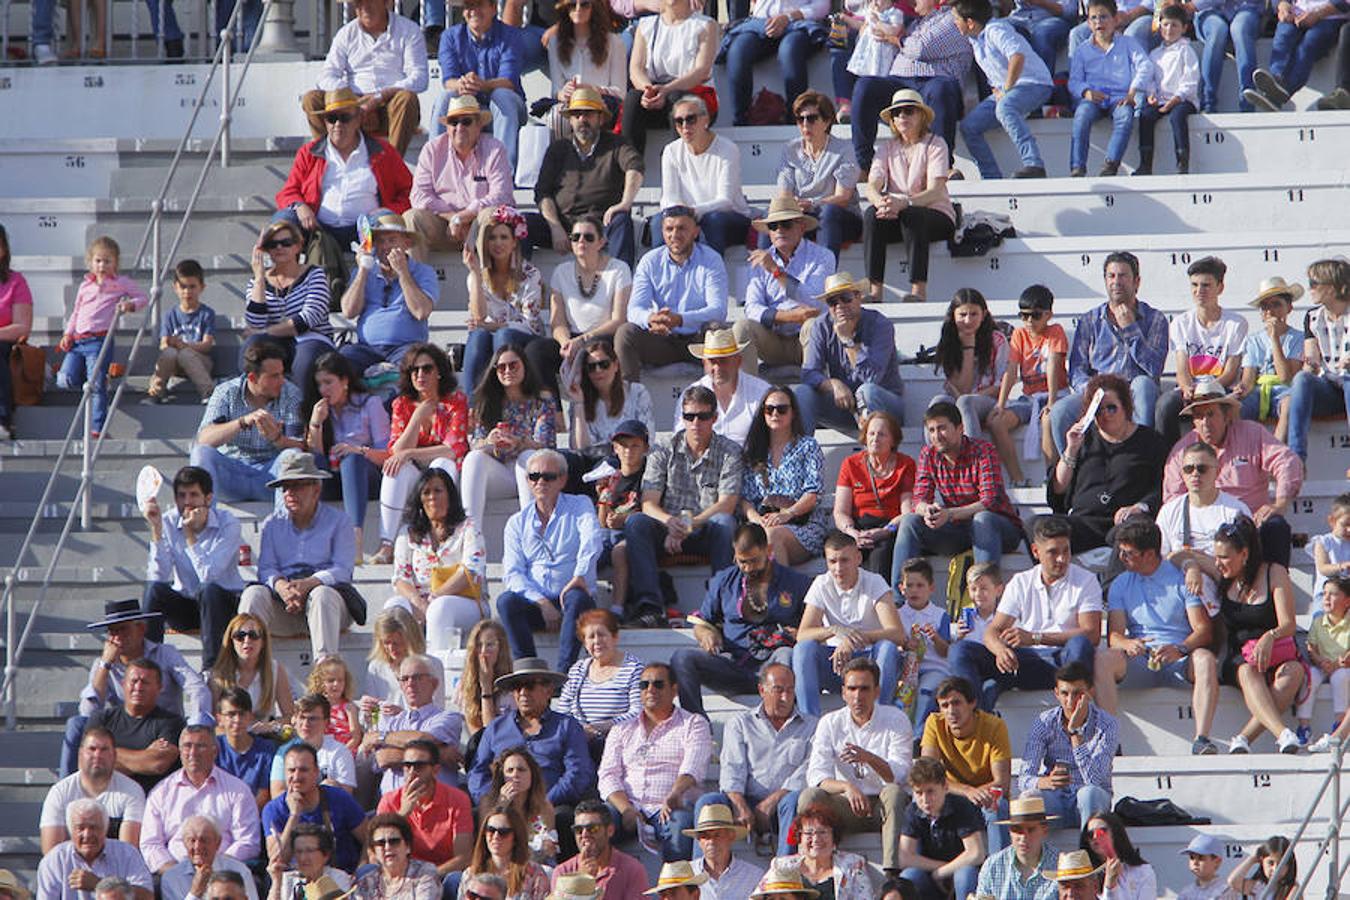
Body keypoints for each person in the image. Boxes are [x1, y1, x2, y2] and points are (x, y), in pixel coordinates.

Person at [949, 513, 1103, 711]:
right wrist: (1000, 650)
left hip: (1064, 662)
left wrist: (1036, 637)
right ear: (1036, 551)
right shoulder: (1021, 581)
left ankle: (1075, 718)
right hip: (1025, 661)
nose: (1062, 558)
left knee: (1080, 644)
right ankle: (974, 721)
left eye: (1066, 550)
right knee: (959, 650)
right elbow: (993, 631)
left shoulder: (1086, 580)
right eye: (1053, 552)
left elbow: (1092, 634)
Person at [1097, 519, 1222, 755]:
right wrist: (1127, 643)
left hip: (1179, 659)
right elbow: (1114, 635)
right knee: (1103, 659)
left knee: (1204, 658)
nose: (1121, 558)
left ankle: (1202, 738)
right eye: (1121, 552)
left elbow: (1203, 630)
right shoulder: (1120, 583)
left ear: (1149, 554)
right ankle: (1109, 741)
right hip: (1140, 659)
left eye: (1129, 553)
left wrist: (1181, 649)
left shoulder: (1181, 578)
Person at [622, 385, 741, 628]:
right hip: (669, 527)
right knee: (636, 523)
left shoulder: (730, 451)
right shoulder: (663, 449)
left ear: (714, 418)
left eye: (703, 416)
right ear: (682, 418)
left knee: (725, 523)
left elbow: (726, 505)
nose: (696, 422)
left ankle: (720, 606)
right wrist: (669, 524)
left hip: (705, 529)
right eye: (689, 416)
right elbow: (649, 503)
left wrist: (686, 525)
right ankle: (650, 606)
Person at [276, 91, 413, 300]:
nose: (338, 124)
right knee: (283, 220)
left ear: (359, 118)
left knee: (384, 220)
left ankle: (386, 293)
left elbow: (409, 191)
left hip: (367, 228)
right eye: (331, 118)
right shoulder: (309, 152)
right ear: (325, 122)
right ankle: (279, 290)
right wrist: (300, 206)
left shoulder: (383, 151)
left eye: (345, 117)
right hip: (320, 229)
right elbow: (287, 191)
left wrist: (387, 211)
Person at [1162, 377, 1303, 569]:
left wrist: (1279, 504)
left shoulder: (1252, 434)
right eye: (1198, 416)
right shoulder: (1183, 450)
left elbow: (1287, 461)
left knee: (1276, 526)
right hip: (1203, 532)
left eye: (1211, 414)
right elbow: (1173, 500)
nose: (1205, 422)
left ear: (1227, 415)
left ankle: (1274, 591)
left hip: (1251, 526)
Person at [672, 524, 810, 716]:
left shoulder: (796, 582)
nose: (747, 568)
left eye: (754, 561)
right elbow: (701, 622)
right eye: (742, 561)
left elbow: (814, 625)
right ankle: (697, 728)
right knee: (682, 658)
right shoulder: (724, 580)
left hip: (774, 663)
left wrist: (801, 634)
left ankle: (782, 724)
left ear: (768, 550)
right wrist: (706, 635)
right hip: (734, 666)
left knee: (786, 654)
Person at [239, 451, 364, 660]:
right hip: (284, 605)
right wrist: (282, 587)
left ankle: (324, 675)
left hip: (329, 605)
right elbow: (266, 568)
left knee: (321, 595)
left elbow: (343, 569)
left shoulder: (339, 521)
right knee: (253, 596)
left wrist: (308, 584)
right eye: (286, 487)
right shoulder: (272, 524)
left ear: (316, 489)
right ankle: (248, 671)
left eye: (297, 485)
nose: (289, 493)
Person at [800, 657, 911, 876]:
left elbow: (898, 775)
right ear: (843, 692)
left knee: (894, 792)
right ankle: (813, 867)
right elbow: (817, 775)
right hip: (847, 805)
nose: (857, 696)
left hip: (883, 806)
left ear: (876, 692)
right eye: (852, 689)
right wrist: (847, 788)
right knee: (810, 796)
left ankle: (892, 872)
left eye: (864, 689)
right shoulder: (830, 722)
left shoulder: (896, 719)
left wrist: (869, 758)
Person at [1049, 252, 1168, 455]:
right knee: (1060, 411)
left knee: (1144, 385)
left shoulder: (1155, 319)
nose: (1116, 282)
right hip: (1098, 389)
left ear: (1136, 281)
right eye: (1111, 276)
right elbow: (1077, 369)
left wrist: (1131, 329)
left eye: (1123, 276)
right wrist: (1094, 391)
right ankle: (1072, 469)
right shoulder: (1089, 320)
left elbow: (1154, 368)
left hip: (1133, 389)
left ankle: (1139, 458)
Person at [695, 663, 817, 857]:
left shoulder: (812, 726)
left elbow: (808, 770)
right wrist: (740, 806)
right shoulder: (740, 724)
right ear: (762, 690)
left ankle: (785, 872)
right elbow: (732, 769)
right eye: (778, 690)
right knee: (708, 802)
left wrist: (772, 801)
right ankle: (701, 875)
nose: (786, 697)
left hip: (784, 805)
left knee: (795, 800)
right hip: (745, 801)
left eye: (790, 690)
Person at [497, 450, 602, 670]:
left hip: (572, 596)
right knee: (506, 601)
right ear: (527, 481)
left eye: (549, 476)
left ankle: (563, 674)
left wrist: (579, 576)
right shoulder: (516, 522)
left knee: (577, 598)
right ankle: (529, 671)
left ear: (562, 480)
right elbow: (513, 573)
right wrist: (541, 602)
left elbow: (592, 542)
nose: (540, 482)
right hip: (536, 602)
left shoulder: (580, 504)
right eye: (534, 477)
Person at [598, 662, 712, 861]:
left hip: (670, 807)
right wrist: (626, 809)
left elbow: (693, 767)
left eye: (658, 684)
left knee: (682, 824)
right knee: (595, 823)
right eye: (644, 685)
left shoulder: (693, 724)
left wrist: (675, 793)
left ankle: (676, 890)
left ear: (674, 690)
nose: (650, 689)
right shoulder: (622, 729)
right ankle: (600, 889)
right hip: (628, 807)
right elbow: (608, 775)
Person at [1212, 516, 1306, 754]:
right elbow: (1182, 557)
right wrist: (1192, 570)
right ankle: (1282, 733)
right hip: (1238, 656)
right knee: (1247, 670)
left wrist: (1269, 637)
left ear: (1244, 554)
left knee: (1294, 672)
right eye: (1216, 556)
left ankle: (1243, 738)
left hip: (1274, 650)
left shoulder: (1274, 572)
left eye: (1224, 557)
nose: (1218, 562)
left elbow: (1289, 623)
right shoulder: (1221, 577)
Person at [1048, 373, 1170, 554]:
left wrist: (1140, 506)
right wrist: (1071, 449)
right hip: (1084, 522)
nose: (1105, 415)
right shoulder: (1083, 441)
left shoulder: (1150, 441)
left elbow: (1162, 487)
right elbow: (1058, 489)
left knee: (1131, 533)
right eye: (1098, 410)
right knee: (1038, 527)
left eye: (1111, 408)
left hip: (1124, 522)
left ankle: (1111, 582)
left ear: (1125, 408)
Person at [893, 401, 1023, 568]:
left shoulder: (983, 450)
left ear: (960, 428)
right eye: (931, 430)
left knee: (982, 519)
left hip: (999, 528)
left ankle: (984, 588)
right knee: (910, 521)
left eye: (942, 428)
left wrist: (949, 514)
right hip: (958, 530)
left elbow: (990, 502)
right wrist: (928, 511)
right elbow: (919, 499)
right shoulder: (929, 454)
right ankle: (900, 593)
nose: (936, 436)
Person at [139, 466, 244, 671]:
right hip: (187, 605)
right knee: (154, 590)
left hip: (223, 604)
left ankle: (212, 670)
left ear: (208, 498)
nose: (187, 502)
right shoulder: (168, 521)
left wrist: (189, 535)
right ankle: (147, 666)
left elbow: (209, 575)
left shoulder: (228, 523)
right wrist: (156, 530)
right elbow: (159, 575)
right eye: (181, 496)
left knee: (209, 590)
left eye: (194, 495)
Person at [848, 0, 971, 173]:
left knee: (941, 88)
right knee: (865, 85)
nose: (912, 2)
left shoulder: (953, 18)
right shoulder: (913, 22)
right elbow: (875, 37)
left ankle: (942, 166)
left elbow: (919, 48)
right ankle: (865, 166)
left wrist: (897, 37)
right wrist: (875, 27)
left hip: (934, 80)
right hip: (900, 81)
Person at [793, 530, 905, 716]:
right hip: (836, 663)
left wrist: (852, 640)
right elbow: (802, 634)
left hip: (868, 662)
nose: (838, 568)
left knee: (888, 648)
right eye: (832, 562)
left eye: (844, 560)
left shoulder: (875, 582)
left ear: (858, 558)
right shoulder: (821, 583)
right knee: (803, 649)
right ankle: (808, 720)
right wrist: (835, 631)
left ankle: (879, 715)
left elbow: (897, 634)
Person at [469, 660, 596, 824]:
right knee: (472, 817)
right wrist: (494, 800)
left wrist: (544, 802)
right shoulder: (496, 728)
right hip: (502, 805)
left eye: (529, 686)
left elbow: (578, 773)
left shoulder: (567, 726)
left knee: (564, 818)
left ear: (548, 690)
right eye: (517, 687)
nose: (522, 692)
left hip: (551, 805)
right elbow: (477, 772)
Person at [375, 344, 470, 564]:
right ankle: (386, 544)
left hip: (445, 470)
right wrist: (417, 417)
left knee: (441, 465)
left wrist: (409, 452)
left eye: (426, 369)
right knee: (393, 468)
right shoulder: (402, 404)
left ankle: (447, 535)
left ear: (439, 371)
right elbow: (395, 450)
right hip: (415, 471)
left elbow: (453, 448)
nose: (420, 375)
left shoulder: (455, 401)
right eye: (414, 370)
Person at [531, 90, 644, 271]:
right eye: (577, 114)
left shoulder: (617, 144)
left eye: (588, 113)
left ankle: (621, 288)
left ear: (600, 118)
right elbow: (542, 192)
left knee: (622, 221)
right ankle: (516, 289)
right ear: (570, 120)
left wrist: (625, 203)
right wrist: (555, 227)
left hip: (601, 225)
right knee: (518, 225)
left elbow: (635, 167)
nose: (582, 119)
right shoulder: (558, 148)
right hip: (563, 224)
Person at [862, 90, 957, 303]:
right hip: (900, 214)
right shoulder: (886, 147)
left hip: (936, 214)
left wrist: (903, 203)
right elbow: (871, 186)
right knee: (871, 214)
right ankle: (875, 291)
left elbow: (935, 190)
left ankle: (918, 290)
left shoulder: (936, 143)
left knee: (913, 215)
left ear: (921, 115)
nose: (902, 116)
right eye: (897, 112)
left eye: (908, 111)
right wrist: (881, 203)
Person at [302, 0, 428, 156]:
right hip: (350, 106)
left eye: (371, 1)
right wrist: (352, 99)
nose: (364, 8)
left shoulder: (409, 30)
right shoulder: (346, 33)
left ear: (386, 2)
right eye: (358, 3)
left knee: (407, 99)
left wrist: (380, 97)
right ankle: (327, 161)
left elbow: (420, 77)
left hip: (390, 106)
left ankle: (391, 164)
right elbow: (325, 76)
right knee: (311, 99)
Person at [616, 206, 729, 379]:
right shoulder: (650, 261)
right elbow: (634, 309)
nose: (674, 234)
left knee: (717, 330)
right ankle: (631, 399)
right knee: (626, 333)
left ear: (696, 232)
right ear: (662, 231)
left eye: (682, 228)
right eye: (669, 229)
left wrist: (680, 319)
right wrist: (650, 319)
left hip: (698, 339)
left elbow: (718, 310)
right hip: (663, 340)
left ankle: (720, 398)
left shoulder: (711, 259)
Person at [791, 273, 907, 435]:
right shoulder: (821, 326)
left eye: (845, 298)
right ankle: (800, 456)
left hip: (884, 407)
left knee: (867, 392)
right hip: (845, 406)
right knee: (802, 393)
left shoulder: (881, 325)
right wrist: (833, 384)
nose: (839, 306)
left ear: (858, 297)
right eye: (832, 302)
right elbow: (809, 373)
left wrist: (847, 341)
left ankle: (872, 457)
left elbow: (871, 377)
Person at [191, 339, 304, 503]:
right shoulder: (226, 392)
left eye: (282, 374)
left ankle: (283, 524)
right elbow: (204, 439)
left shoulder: (291, 394)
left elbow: (301, 446)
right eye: (274, 376)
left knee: (293, 456)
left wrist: (278, 439)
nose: (281, 381)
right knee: (201, 453)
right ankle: (206, 522)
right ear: (252, 377)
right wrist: (242, 422)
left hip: (271, 475)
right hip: (231, 474)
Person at [387, 467, 487, 651]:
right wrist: (419, 602)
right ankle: (399, 673)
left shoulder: (468, 527)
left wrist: (435, 598)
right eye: (426, 492)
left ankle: (434, 670)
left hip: (465, 601)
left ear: (449, 495)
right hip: (421, 601)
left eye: (438, 491)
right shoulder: (407, 533)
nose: (432, 497)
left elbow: (470, 571)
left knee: (440, 608)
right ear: (420, 499)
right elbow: (401, 578)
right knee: (394, 607)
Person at [57, 235, 148, 438]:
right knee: (65, 379)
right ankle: (97, 375)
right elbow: (76, 312)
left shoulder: (120, 283)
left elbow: (143, 297)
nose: (102, 265)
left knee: (96, 386)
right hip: (79, 340)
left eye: (107, 261)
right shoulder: (85, 286)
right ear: (91, 262)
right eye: (98, 261)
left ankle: (97, 428)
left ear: (115, 263)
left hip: (99, 341)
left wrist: (129, 305)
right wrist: (67, 333)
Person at [953, 0, 1054, 180]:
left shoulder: (996, 30)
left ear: (970, 22)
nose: (954, 23)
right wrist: (999, 89)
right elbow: (995, 72)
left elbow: (1017, 56)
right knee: (970, 126)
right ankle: (991, 176)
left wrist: (1006, 89)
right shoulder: (974, 40)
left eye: (956, 19)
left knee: (1005, 107)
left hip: (1034, 84)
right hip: (1010, 89)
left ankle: (1034, 164)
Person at [461, 206, 555, 397]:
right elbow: (479, 318)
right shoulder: (476, 277)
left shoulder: (530, 275)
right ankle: (472, 411)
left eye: (504, 237)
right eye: (492, 238)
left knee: (503, 336)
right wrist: (476, 275)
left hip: (527, 336)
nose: (497, 243)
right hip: (491, 335)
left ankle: (506, 400)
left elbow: (529, 324)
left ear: (514, 243)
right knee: (478, 337)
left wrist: (492, 326)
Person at [462, 345, 559, 529]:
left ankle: (533, 530)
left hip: (532, 475)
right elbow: (476, 444)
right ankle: (471, 535)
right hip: (500, 473)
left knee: (528, 457)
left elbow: (546, 445)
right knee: (474, 458)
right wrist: (489, 442)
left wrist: (519, 442)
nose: (507, 371)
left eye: (513, 365)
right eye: (501, 367)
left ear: (525, 367)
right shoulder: (487, 401)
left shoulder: (542, 401)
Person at [302, 353, 389, 559]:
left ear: (345, 381)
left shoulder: (370, 404)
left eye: (329, 382)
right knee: (310, 462)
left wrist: (358, 450)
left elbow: (387, 456)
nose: (324, 389)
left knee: (351, 460)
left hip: (365, 476)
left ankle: (354, 537)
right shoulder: (321, 410)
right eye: (320, 384)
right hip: (333, 476)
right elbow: (317, 455)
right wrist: (316, 424)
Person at [140, 726, 260, 875]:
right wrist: (174, 872)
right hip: (175, 874)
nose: (193, 753)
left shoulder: (238, 790)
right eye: (187, 746)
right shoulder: (161, 792)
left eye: (201, 746)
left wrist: (216, 869)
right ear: (180, 751)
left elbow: (248, 841)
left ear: (214, 751)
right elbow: (150, 843)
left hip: (224, 875)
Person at [1154, 257, 1248, 446]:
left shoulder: (1236, 323)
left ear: (1220, 287)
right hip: (1191, 389)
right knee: (1165, 406)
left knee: (1241, 407)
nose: (1199, 291)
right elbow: (1182, 368)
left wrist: (1208, 390)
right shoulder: (1181, 323)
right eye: (1194, 285)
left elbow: (1231, 372)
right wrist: (1189, 388)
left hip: (1221, 388)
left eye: (1206, 285)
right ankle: (1170, 462)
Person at [406, 96, 514, 260]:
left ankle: (490, 282)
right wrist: (451, 217)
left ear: (479, 125)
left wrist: (466, 215)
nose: (459, 127)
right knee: (412, 217)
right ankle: (417, 283)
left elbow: (502, 195)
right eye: (453, 122)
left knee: (491, 215)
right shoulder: (432, 150)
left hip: (479, 227)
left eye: (466, 121)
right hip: (444, 225)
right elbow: (418, 195)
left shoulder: (495, 149)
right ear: (447, 127)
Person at [931, 289, 1022, 483]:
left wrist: (971, 394)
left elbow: (1000, 385)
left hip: (987, 400)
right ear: (953, 315)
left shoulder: (997, 340)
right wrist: (967, 347)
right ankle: (937, 469)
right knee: (937, 404)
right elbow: (959, 387)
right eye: (962, 314)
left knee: (966, 402)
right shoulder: (949, 340)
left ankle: (978, 468)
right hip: (961, 398)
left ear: (984, 315)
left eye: (974, 314)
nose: (968, 320)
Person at [735, 197, 832, 375]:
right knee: (742, 327)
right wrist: (788, 316)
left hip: (807, 338)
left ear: (801, 226)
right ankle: (748, 397)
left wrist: (776, 271)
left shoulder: (823, 256)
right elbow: (752, 308)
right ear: (769, 233)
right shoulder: (760, 261)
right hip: (774, 339)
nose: (779, 230)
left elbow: (814, 302)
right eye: (773, 226)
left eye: (786, 224)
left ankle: (815, 390)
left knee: (813, 325)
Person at [241, 212, 335, 393]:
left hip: (312, 338)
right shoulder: (257, 282)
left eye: (286, 243)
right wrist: (260, 277)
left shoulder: (315, 274)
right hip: (275, 342)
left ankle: (300, 415)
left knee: (305, 361)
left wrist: (265, 331)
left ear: (298, 245)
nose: (279, 248)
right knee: (252, 347)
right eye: (272, 244)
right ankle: (255, 408)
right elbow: (254, 322)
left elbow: (308, 319)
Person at [65, 662, 188, 797]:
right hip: (104, 798)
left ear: (159, 688)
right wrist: (145, 755)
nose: (138, 687)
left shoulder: (172, 722)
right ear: (123, 684)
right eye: (134, 681)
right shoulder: (102, 719)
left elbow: (157, 764)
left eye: (145, 682)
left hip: (152, 801)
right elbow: (88, 764)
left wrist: (107, 756)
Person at [920, 676, 1013, 853]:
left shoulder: (994, 726)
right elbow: (927, 776)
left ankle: (1000, 870)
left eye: (956, 703)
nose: (951, 711)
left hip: (986, 796)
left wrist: (976, 793)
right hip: (953, 795)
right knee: (920, 804)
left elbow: (1002, 782)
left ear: (972, 703)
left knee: (997, 805)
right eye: (945, 706)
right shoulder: (934, 723)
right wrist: (967, 791)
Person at [1019, 663, 1117, 830]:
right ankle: (1038, 855)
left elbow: (1095, 781)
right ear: (1056, 693)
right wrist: (1046, 781)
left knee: (1088, 793)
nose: (1070, 701)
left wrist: (1075, 732)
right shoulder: (1044, 722)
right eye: (1064, 693)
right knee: (1029, 798)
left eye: (1078, 694)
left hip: (1092, 801)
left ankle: (1087, 853)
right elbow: (1024, 779)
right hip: (1056, 798)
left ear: (1090, 692)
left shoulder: (1107, 724)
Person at [338, 210, 437, 375]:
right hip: (367, 348)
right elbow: (349, 311)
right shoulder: (365, 271)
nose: (385, 247)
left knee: (412, 370)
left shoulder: (423, 272)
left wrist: (403, 273)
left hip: (407, 347)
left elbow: (421, 311)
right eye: (381, 241)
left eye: (392, 240)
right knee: (339, 366)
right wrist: (363, 269)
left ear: (406, 243)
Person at [432, 0, 527, 169]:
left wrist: (481, 84)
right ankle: (435, 168)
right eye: (469, 6)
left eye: (479, 5)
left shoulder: (511, 35)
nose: (474, 11)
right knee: (446, 97)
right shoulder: (450, 36)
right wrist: (462, 84)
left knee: (502, 95)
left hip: (506, 109)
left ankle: (503, 171)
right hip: (468, 108)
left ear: (493, 8)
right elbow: (448, 81)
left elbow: (509, 81)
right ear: (463, 12)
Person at [654, 95, 753, 255]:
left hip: (729, 218)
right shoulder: (671, 151)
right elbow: (669, 196)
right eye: (679, 121)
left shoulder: (728, 149)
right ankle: (665, 276)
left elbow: (725, 201)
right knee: (659, 222)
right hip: (688, 216)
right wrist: (681, 216)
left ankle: (711, 276)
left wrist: (693, 212)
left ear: (705, 119)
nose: (685, 126)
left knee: (712, 220)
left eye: (690, 119)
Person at [773, 92, 864, 261]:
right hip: (802, 217)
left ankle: (825, 278)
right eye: (801, 119)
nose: (805, 124)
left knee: (828, 213)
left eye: (812, 118)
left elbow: (843, 198)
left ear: (827, 121)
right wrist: (793, 206)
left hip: (842, 217)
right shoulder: (789, 149)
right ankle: (771, 279)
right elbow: (784, 194)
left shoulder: (844, 149)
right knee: (773, 218)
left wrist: (813, 204)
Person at [623, 0, 719, 157]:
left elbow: (701, 71)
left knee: (679, 99)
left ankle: (681, 164)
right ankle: (630, 170)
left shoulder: (705, 25)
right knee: (633, 99)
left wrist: (667, 90)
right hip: (658, 97)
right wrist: (649, 90)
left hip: (694, 98)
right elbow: (635, 69)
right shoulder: (645, 25)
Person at [1068, 0, 1152, 177]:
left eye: (1104, 17)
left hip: (1120, 97)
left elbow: (1145, 66)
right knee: (1081, 116)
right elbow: (1074, 80)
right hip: (1094, 98)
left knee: (1125, 117)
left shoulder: (1128, 43)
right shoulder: (1082, 50)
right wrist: (1086, 92)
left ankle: (1111, 164)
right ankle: (1077, 166)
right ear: (1088, 23)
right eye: (1094, 18)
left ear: (1115, 20)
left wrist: (1132, 92)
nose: (1099, 22)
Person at [364, 655, 465, 798]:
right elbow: (382, 758)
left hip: (436, 806)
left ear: (434, 684)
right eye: (404, 679)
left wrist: (382, 737)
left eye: (417, 677)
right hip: (393, 807)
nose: (410, 684)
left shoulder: (449, 718)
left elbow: (424, 738)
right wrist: (437, 755)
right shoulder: (392, 721)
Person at [833, 411, 914, 583]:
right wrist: (852, 532)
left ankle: (880, 606)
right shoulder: (851, 464)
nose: (875, 438)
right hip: (858, 526)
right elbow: (840, 511)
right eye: (871, 433)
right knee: (843, 551)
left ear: (893, 440)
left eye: (882, 434)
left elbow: (907, 512)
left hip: (891, 527)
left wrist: (885, 531)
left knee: (881, 554)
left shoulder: (906, 465)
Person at [376, 740, 474, 883]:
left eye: (419, 766)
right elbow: (377, 849)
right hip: (399, 873)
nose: (411, 772)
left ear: (435, 770)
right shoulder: (389, 800)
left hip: (441, 874)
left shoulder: (457, 800)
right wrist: (403, 814)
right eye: (407, 765)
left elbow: (464, 857)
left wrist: (425, 877)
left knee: (456, 880)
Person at [263, 744, 369, 873]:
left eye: (303, 770)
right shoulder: (273, 810)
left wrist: (361, 870)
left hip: (343, 877)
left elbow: (369, 838)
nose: (296, 777)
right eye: (291, 770)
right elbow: (277, 861)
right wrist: (294, 815)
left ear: (316, 772)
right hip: (295, 880)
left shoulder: (339, 798)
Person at [722, 0, 828, 126]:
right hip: (761, 24)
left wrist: (788, 17)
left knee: (789, 51)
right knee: (738, 51)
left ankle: (795, 118)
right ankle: (741, 121)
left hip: (801, 24)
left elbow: (823, 6)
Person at [995, 285, 1066, 471]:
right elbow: (1011, 371)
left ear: (1048, 315)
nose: (1028, 321)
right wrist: (1000, 404)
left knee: (1049, 420)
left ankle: (1051, 477)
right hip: (1028, 399)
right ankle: (1017, 478)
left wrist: (1051, 401)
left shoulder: (1055, 331)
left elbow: (1053, 365)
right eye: (1023, 315)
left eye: (1035, 315)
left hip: (1056, 394)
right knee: (996, 422)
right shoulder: (1019, 334)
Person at [41, 727, 145, 855]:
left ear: (114, 755)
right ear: (80, 754)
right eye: (92, 749)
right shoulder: (60, 792)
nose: (97, 755)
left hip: (115, 871)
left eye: (104, 749)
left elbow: (128, 853)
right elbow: (51, 853)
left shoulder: (132, 791)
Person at [559, 610, 644, 761]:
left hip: (618, 741)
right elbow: (563, 709)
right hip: (579, 740)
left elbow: (638, 712)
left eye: (602, 634)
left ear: (615, 637)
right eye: (591, 637)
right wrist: (579, 732)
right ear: (585, 643)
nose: (597, 641)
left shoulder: (633, 668)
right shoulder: (577, 669)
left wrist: (603, 726)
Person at [1287, 257, 1350, 463]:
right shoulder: (1313, 317)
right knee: (1302, 379)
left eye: (1314, 284)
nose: (1310, 289)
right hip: (1331, 389)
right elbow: (1312, 359)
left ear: (1332, 288)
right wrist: (1310, 364)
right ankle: (1297, 458)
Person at [899, 758, 986, 900]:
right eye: (919, 793)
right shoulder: (913, 811)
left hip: (961, 871)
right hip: (931, 875)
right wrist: (939, 868)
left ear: (945, 787)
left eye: (930, 791)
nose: (925, 800)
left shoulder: (961, 806)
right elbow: (905, 858)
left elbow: (976, 853)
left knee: (965, 874)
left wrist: (942, 872)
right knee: (909, 876)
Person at [34, 800, 153, 900]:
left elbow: (147, 896)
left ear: (105, 829)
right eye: (80, 828)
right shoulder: (54, 860)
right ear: (70, 831)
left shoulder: (127, 853)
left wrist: (100, 885)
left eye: (94, 827)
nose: (87, 835)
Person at [674, 329, 772, 446]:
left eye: (723, 360)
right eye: (712, 361)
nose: (717, 367)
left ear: (738, 361)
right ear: (704, 363)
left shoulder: (761, 392)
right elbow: (680, 440)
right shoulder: (690, 395)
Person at [1244, 0, 1345, 111]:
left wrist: (1317, 14)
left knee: (1308, 45)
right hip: (1298, 12)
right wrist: (1283, 6)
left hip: (1331, 16)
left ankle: (1281, 94)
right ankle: (1276, 80)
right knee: (1284, 35)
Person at [1237, 277, 1305, 439]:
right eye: (1265, 306)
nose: (1270, 311)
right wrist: (1240, 390)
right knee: (1234, 408)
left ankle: (1278, 452)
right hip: (1259, 391)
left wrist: (1274, 339)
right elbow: (1249, 377)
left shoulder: (1299, 338)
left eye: (1276, 304)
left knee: (1289, 405)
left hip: (1284, 391)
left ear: (1289, 308)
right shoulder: (1253, 340)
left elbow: (1286, 377)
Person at [545, 0, 629, 131]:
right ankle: (564, 151)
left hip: (602, 101)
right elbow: (556, 91)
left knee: (593, 114)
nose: (578, 9)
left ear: (594, 8)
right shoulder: (555, 43)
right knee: (557, 116)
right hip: (571, 103)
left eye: (584, 4)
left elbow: (620, 92)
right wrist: (564, 93)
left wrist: (592, 89)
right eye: (572, 5)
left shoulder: (614, 42)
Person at [1136, 5, 1200, 174]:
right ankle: (1145, 163)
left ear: (1184, 28)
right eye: (1165, 24)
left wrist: (1177, 98)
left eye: (1174, 25)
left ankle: (1182, 160)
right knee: (1146, 116)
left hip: (1183, 100)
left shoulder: (1186, 51)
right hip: (1161, 100)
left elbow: (1191, 80)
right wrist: (1151, 95)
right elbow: (1150, 80)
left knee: (1177, 116)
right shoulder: (1155, 54)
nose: (1169, 29)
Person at [570, 340, 652, 465]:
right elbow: (579, 450)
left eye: (604, 364)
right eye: (591, 367)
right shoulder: (579, 400)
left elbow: (648, 440)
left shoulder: (637, 392)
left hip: (630, 463)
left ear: (616, 365)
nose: (598, 370)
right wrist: (579, 403)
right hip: (593, 466)